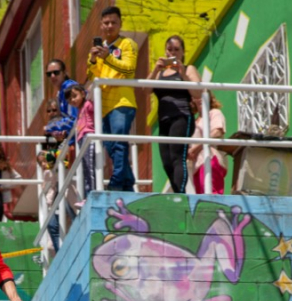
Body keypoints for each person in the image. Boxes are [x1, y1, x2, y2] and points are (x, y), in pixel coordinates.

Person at [87, 6, 138, 191]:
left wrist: (107, 57)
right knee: (111, 147)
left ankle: (116, 183)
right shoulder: (100, 49)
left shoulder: (127, 44)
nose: (109, 26)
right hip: (103, 105)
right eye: (106, 23)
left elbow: (129, 69)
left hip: (122, 102)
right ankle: (128, 185)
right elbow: (94, 77)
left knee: (119, 142)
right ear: (101, 25)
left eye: (113, 22)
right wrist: (93, 61)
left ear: (120, 23)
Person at [148, 34, 202, 193]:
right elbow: (145, 90)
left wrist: (183, 74)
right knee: (166, 161)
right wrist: (155, 70)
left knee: (177, 157)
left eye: (177, 50)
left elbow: (198, 93)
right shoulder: (159, 73)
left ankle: (179, 194)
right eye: (169, 49)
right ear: (165, 51)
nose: (172, 53)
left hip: (182, 117)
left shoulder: (188, 68)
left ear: (183, 52)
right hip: (164, 120)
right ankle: (179, 192)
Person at [188, 93, 228, 195]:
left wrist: (196, 148)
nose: (200, 99)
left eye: (203, 95)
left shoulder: (214, 113)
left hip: (211, 158)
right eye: (197, 96)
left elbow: (217, 132)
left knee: (211, 193)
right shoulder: (194, 121)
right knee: (201, 197)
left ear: (209, 98)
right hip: (197, 165)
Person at [65, 84, 96, 199]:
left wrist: (89, 90)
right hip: (81, 140)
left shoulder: (88, 104)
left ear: (82, 94)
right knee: (84, 170)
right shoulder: (79, 111)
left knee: (90, 167)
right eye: (69, 99)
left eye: (74, 96)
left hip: (88, 137)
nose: (72, 100)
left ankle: (92, 195)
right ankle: (87, 196)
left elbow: (94, 97)